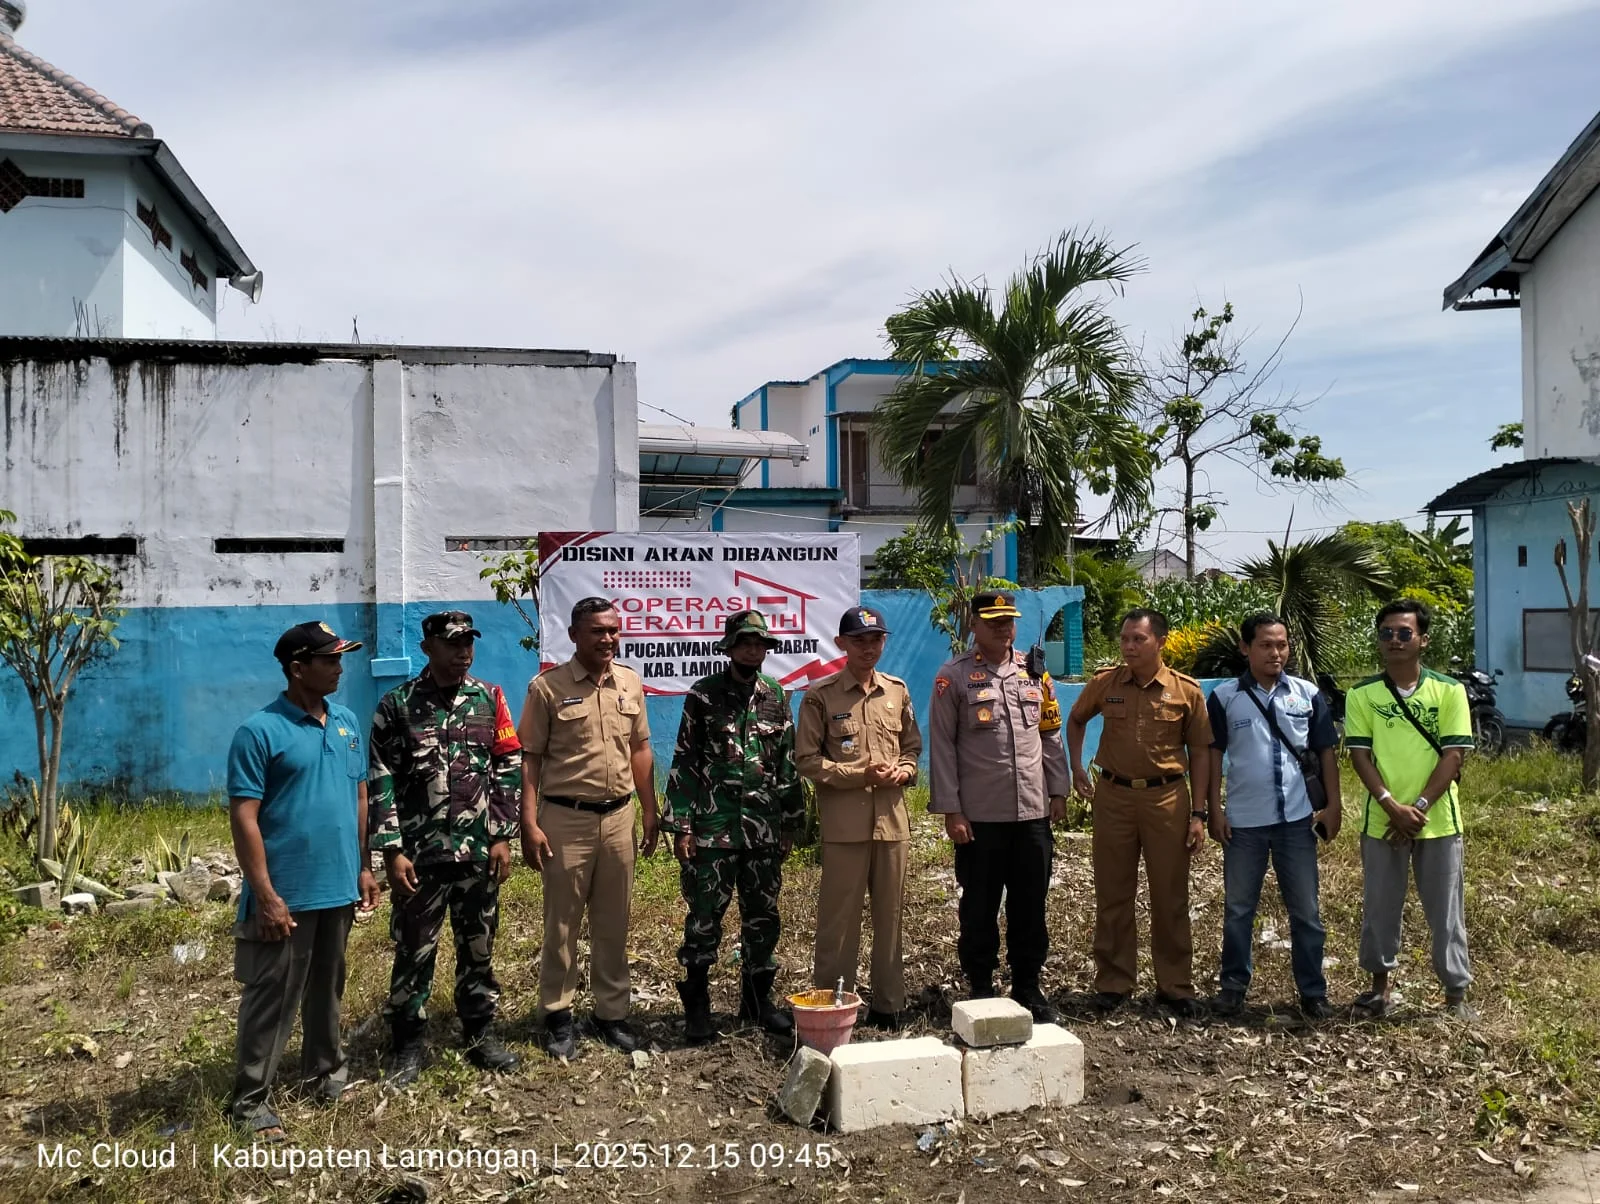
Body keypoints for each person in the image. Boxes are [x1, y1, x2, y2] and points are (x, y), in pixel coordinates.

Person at [225, 621, 380, 1141]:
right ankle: (250, 1103)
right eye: (329, 659)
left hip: (337, 885)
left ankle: (325, 1075)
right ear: (297, 668)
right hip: (285, 892)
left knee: (327, 989)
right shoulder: (259, 731)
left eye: (341, 659)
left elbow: (359, 797)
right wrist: (265, 893)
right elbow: (244, 816)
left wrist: (363, 866)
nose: (339, 668)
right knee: (272, 995)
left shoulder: (347, 722)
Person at [367, 611, 523, 1088]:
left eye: (468, 643)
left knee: (478, 947)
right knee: (414, 950)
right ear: (428, 645)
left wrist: (500, 835)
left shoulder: (489, 698)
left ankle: (480, 1033)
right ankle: (408, 1043)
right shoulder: (396, 706)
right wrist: (392, 850)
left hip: (477, 851)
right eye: (453, 644)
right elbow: (381, 778)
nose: (463, 653)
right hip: (421, 855)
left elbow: (508, 766)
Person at [518, 597, 659, 1059]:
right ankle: (558, 1015)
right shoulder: (548, 688)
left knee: (613, 920)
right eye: (598, 631)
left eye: (614, 630)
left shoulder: (630, 683)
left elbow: (640, 749)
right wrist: (529, 820)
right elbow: (531, 758)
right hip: (565, 820)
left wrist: (650, 809)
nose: (608, 639)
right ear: (575, 635)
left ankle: (610, 1014)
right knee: (562, 922)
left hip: (619, 817)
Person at [661, 610, 805, 1043]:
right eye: (745, 641)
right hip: (713, 830)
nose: (752, 649)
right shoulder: (704, 696)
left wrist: (791, 822)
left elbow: (786, 761)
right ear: (730, 646)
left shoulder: (777, 695)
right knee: (705, 917)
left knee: (763, 916)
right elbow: (685, 760)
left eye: (759, 643)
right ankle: (698, 1006)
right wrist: (681, 826)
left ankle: (758, 1002)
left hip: (762, 830)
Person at [928, 590, 1069, 1023]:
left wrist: (1058, 790)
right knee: (980, 905)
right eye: (993, 621)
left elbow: (1049, 733)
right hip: (980, 818)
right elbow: (943, 747)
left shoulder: (1035, 672)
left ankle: (1028, 985)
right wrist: (952, 810)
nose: (1003, 628)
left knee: (1031, 904)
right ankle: (981, 985)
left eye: (1008, 620)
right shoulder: (953, 677)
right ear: (974, 625)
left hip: (1031, 813)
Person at [1067, 608, 1212, 1018]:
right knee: (1113, 893)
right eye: (1125, 639)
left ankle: (1175, 985)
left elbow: (1200, 752)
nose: (1129, 647)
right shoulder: (1105, 683)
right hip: (1113, 797)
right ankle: (1113, 982)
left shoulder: (1186, 691)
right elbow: (1076, 720)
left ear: (1160, 642)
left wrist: (1199, 813)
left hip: (1166, 799)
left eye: (1139, 640)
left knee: (1170, 895)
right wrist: (1077, 766)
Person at [1204, 612, 1342, 1020]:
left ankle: (1313, 992)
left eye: (1281, 644)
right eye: (1265, 644)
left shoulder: (1306, 694)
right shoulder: (1226, 697)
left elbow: (1326, 753)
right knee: (1238, 910)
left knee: (1306, 911)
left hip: (1296, 821)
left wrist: (1333, 805)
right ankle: (1232, 987)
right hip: (1243, 823)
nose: (1275, 653)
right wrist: (1214, 808)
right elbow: (1212, 756)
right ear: (1246, 648)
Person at [1345, 599, 1476, 1020]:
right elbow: (1361, 757)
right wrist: (1390, 805)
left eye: (1405, 633)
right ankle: (1379, 989)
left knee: (1445, 912)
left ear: (1423, 639)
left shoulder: (1449, 691)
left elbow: (1453, 755)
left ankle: (1455, 995)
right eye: (1387, 633)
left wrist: (1416, 808)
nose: (1395, 641)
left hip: (1437, 821)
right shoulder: (1362, 694)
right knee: (1380, 904)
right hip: (1382, 820)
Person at [796, 605, 921, 1030]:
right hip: (844, 826)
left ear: (884, 643)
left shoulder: (897, 691)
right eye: (859, 640)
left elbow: (912, 748)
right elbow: (807, 760)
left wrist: (904, 770)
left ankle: (888, 1005)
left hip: (891, 823)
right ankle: (833, 1006)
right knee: (839, 921)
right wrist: (857, 774)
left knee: (891, 917)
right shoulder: (821, 695)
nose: (869, 648)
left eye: (876, 640)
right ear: (841, 644)